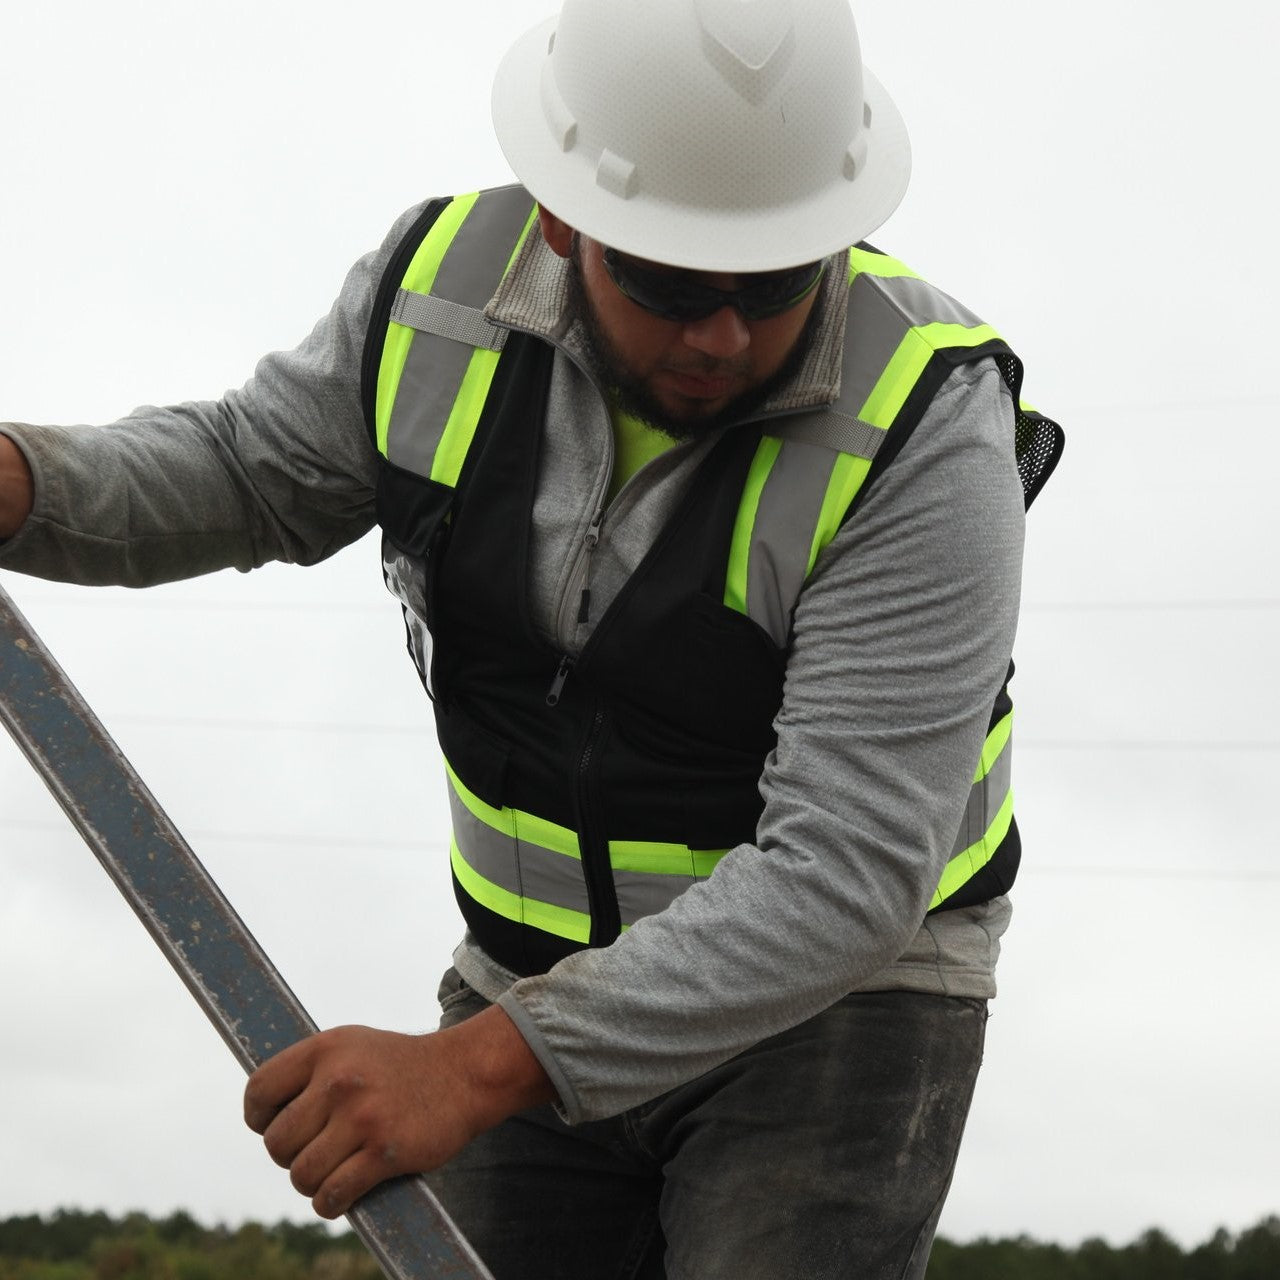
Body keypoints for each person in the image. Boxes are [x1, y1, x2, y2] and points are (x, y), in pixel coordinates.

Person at [0, 1, 1062, 1276]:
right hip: (530, 965)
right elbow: (246, 470)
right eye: (669, 283)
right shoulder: (435, 292)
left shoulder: (929, 425)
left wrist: (473, 1065)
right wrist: (22, 484)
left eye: (776, 283)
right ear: (566, 224)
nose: (721, 337)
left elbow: (845, 868)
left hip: (843, 1005)